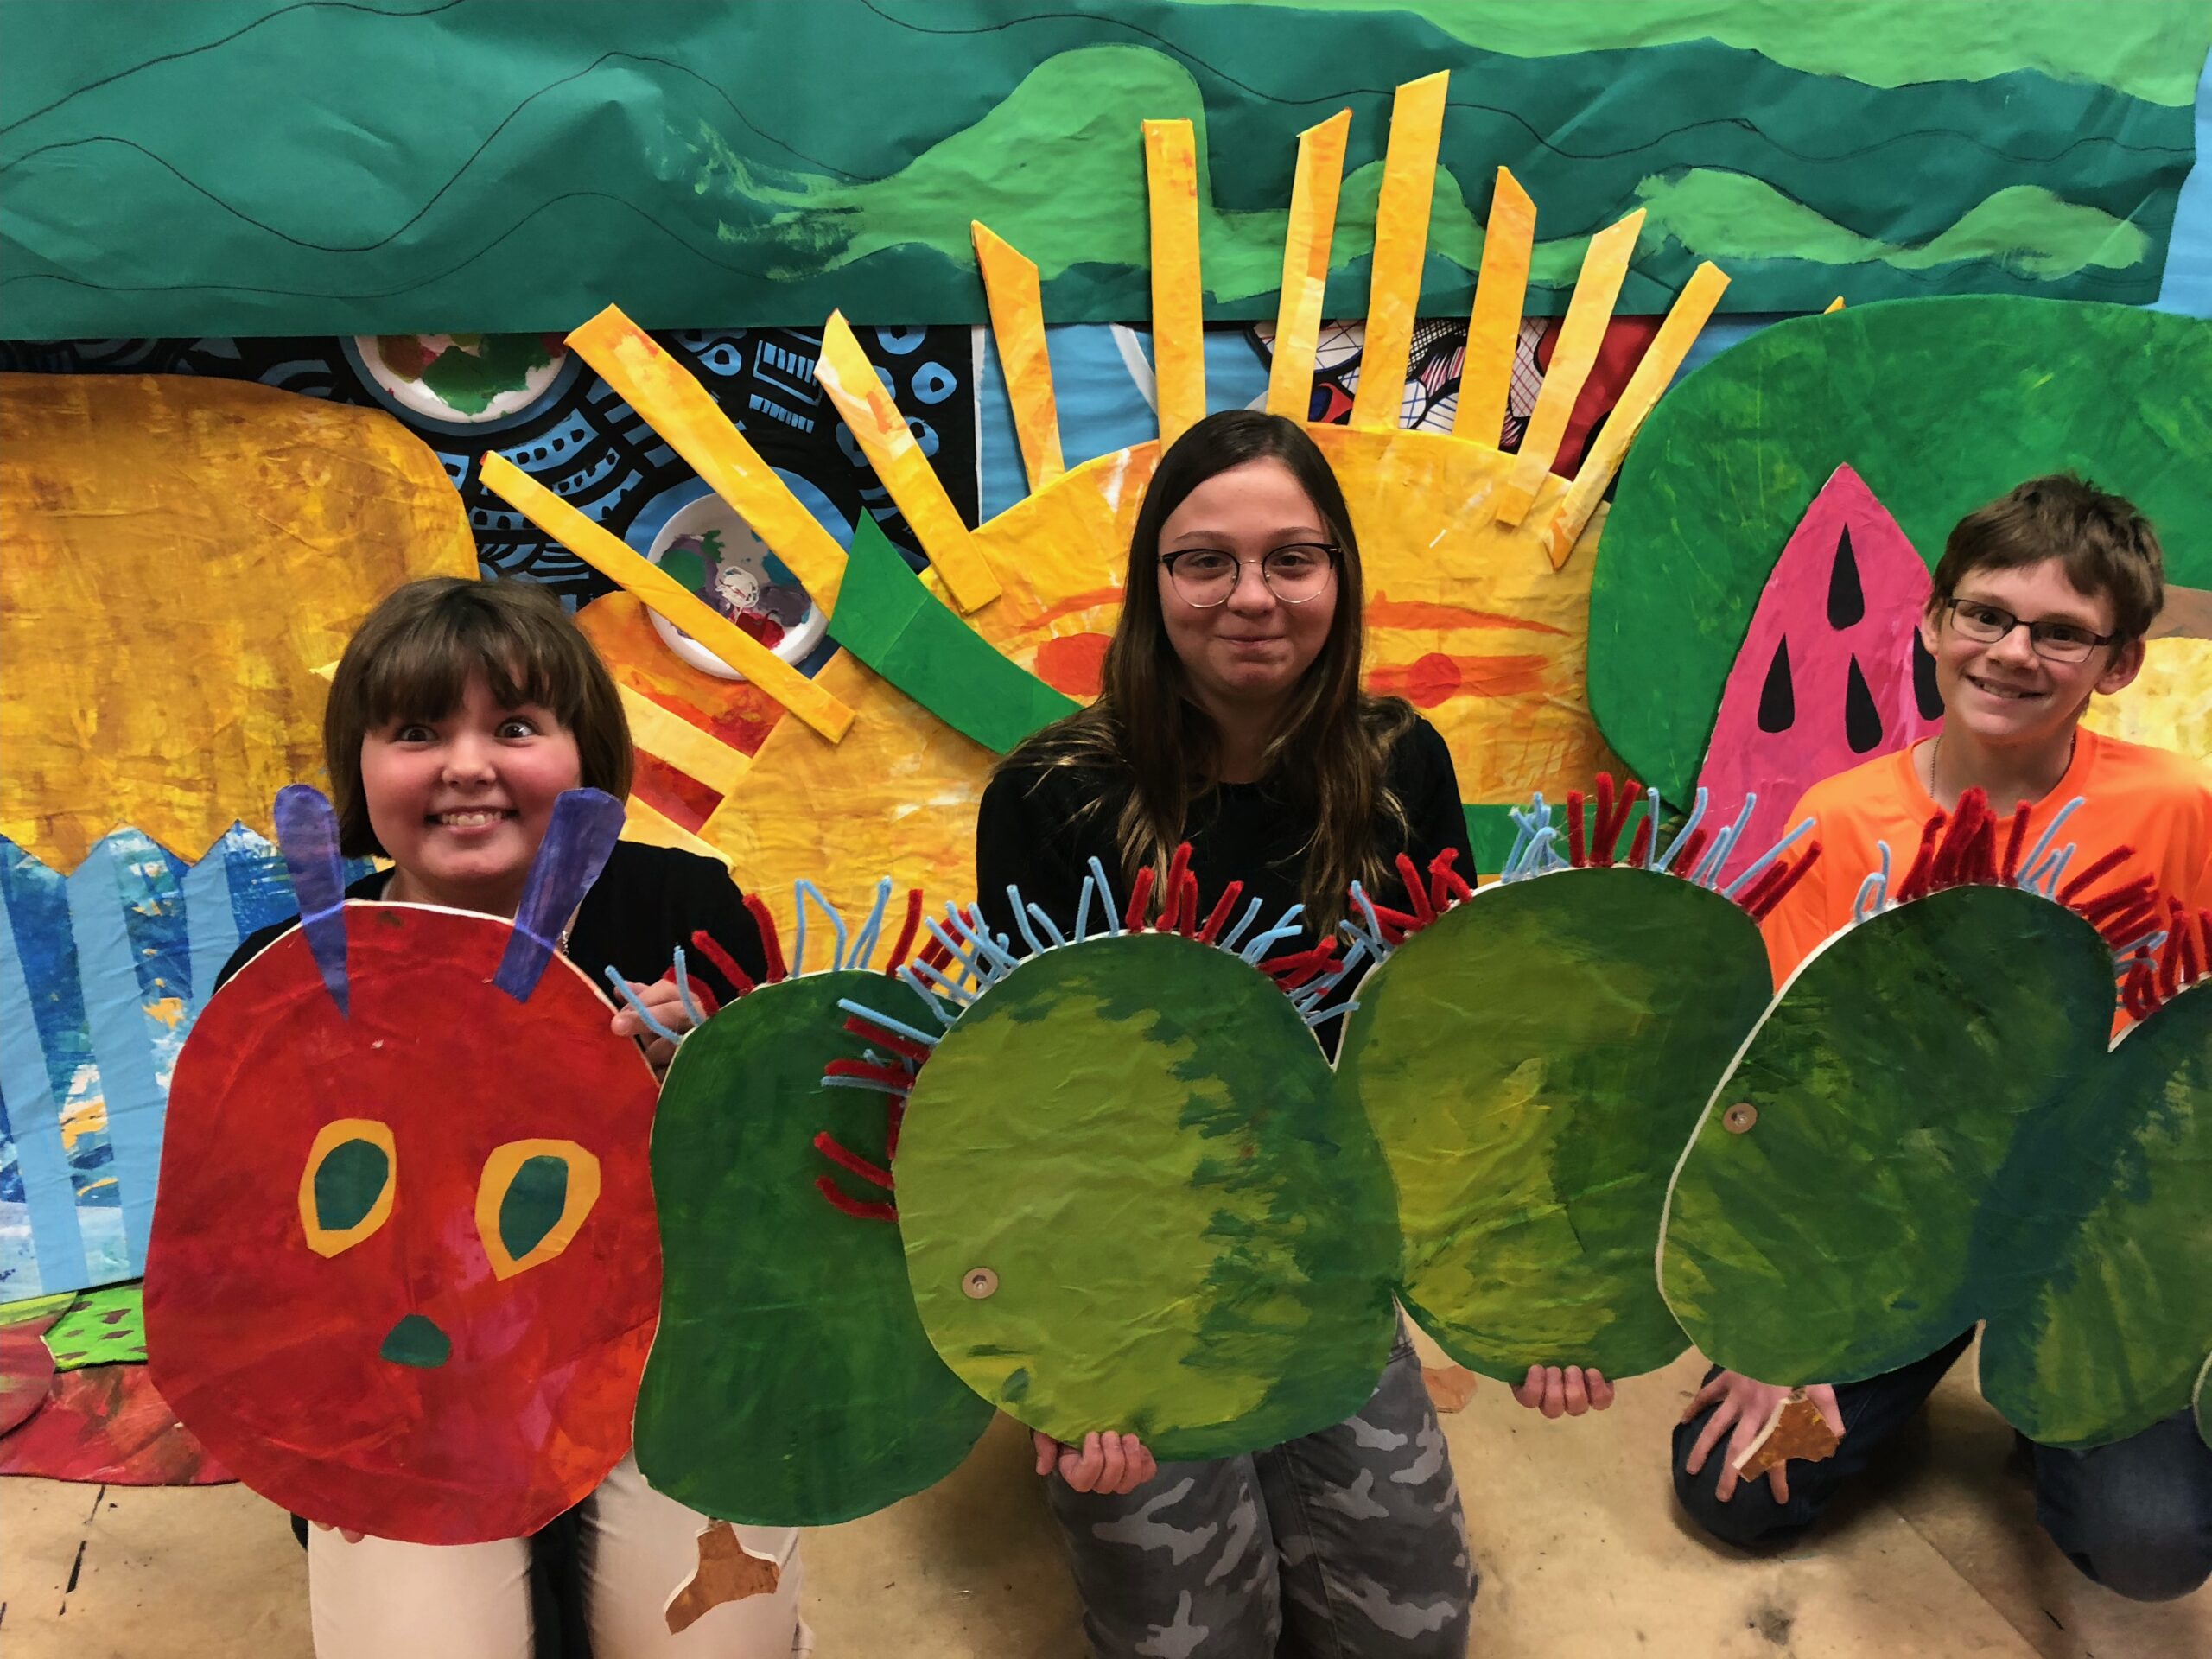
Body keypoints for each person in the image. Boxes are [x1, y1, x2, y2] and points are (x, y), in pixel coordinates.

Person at [974, 410, 1611, 1657]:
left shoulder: (1398, 764)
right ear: (1154, 581)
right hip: (1134, 1263)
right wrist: (1061, 1358)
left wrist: (1529, 1287)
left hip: (1325, 1250)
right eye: (1204, 559)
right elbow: (1023, 1107)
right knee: (1194, 1645)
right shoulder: (1051, 795)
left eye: (1292, 559)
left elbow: (1444, 1061)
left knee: (1414, 1631)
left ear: (1339, 578)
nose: (1249, 596)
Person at [219, 577, 808, 1659]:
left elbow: (788, 1210)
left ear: (584, 757)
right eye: (414, 730)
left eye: (517, 727)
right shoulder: (283, 978)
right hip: (404, 1389)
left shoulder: (683, 916)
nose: (467, 765)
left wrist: (710, 1085)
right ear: (359, 764)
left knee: (710, 1642)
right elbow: (248, 1268)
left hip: (661, 1359)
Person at [1673, 474, 2212, 1601]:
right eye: (1987, 614)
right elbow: (1786, 1091)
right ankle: (1907, 1376)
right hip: (1893, 1225)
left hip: (2083, 1234)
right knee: (1735, 1497)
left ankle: (2044, 1407)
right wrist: (1788, 1330)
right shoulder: (1841, 819)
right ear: (1933, 623)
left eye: (2062, 632)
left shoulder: (2179, 811)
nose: (2013, 652)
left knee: (2153, 1546)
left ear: (2120, 663)